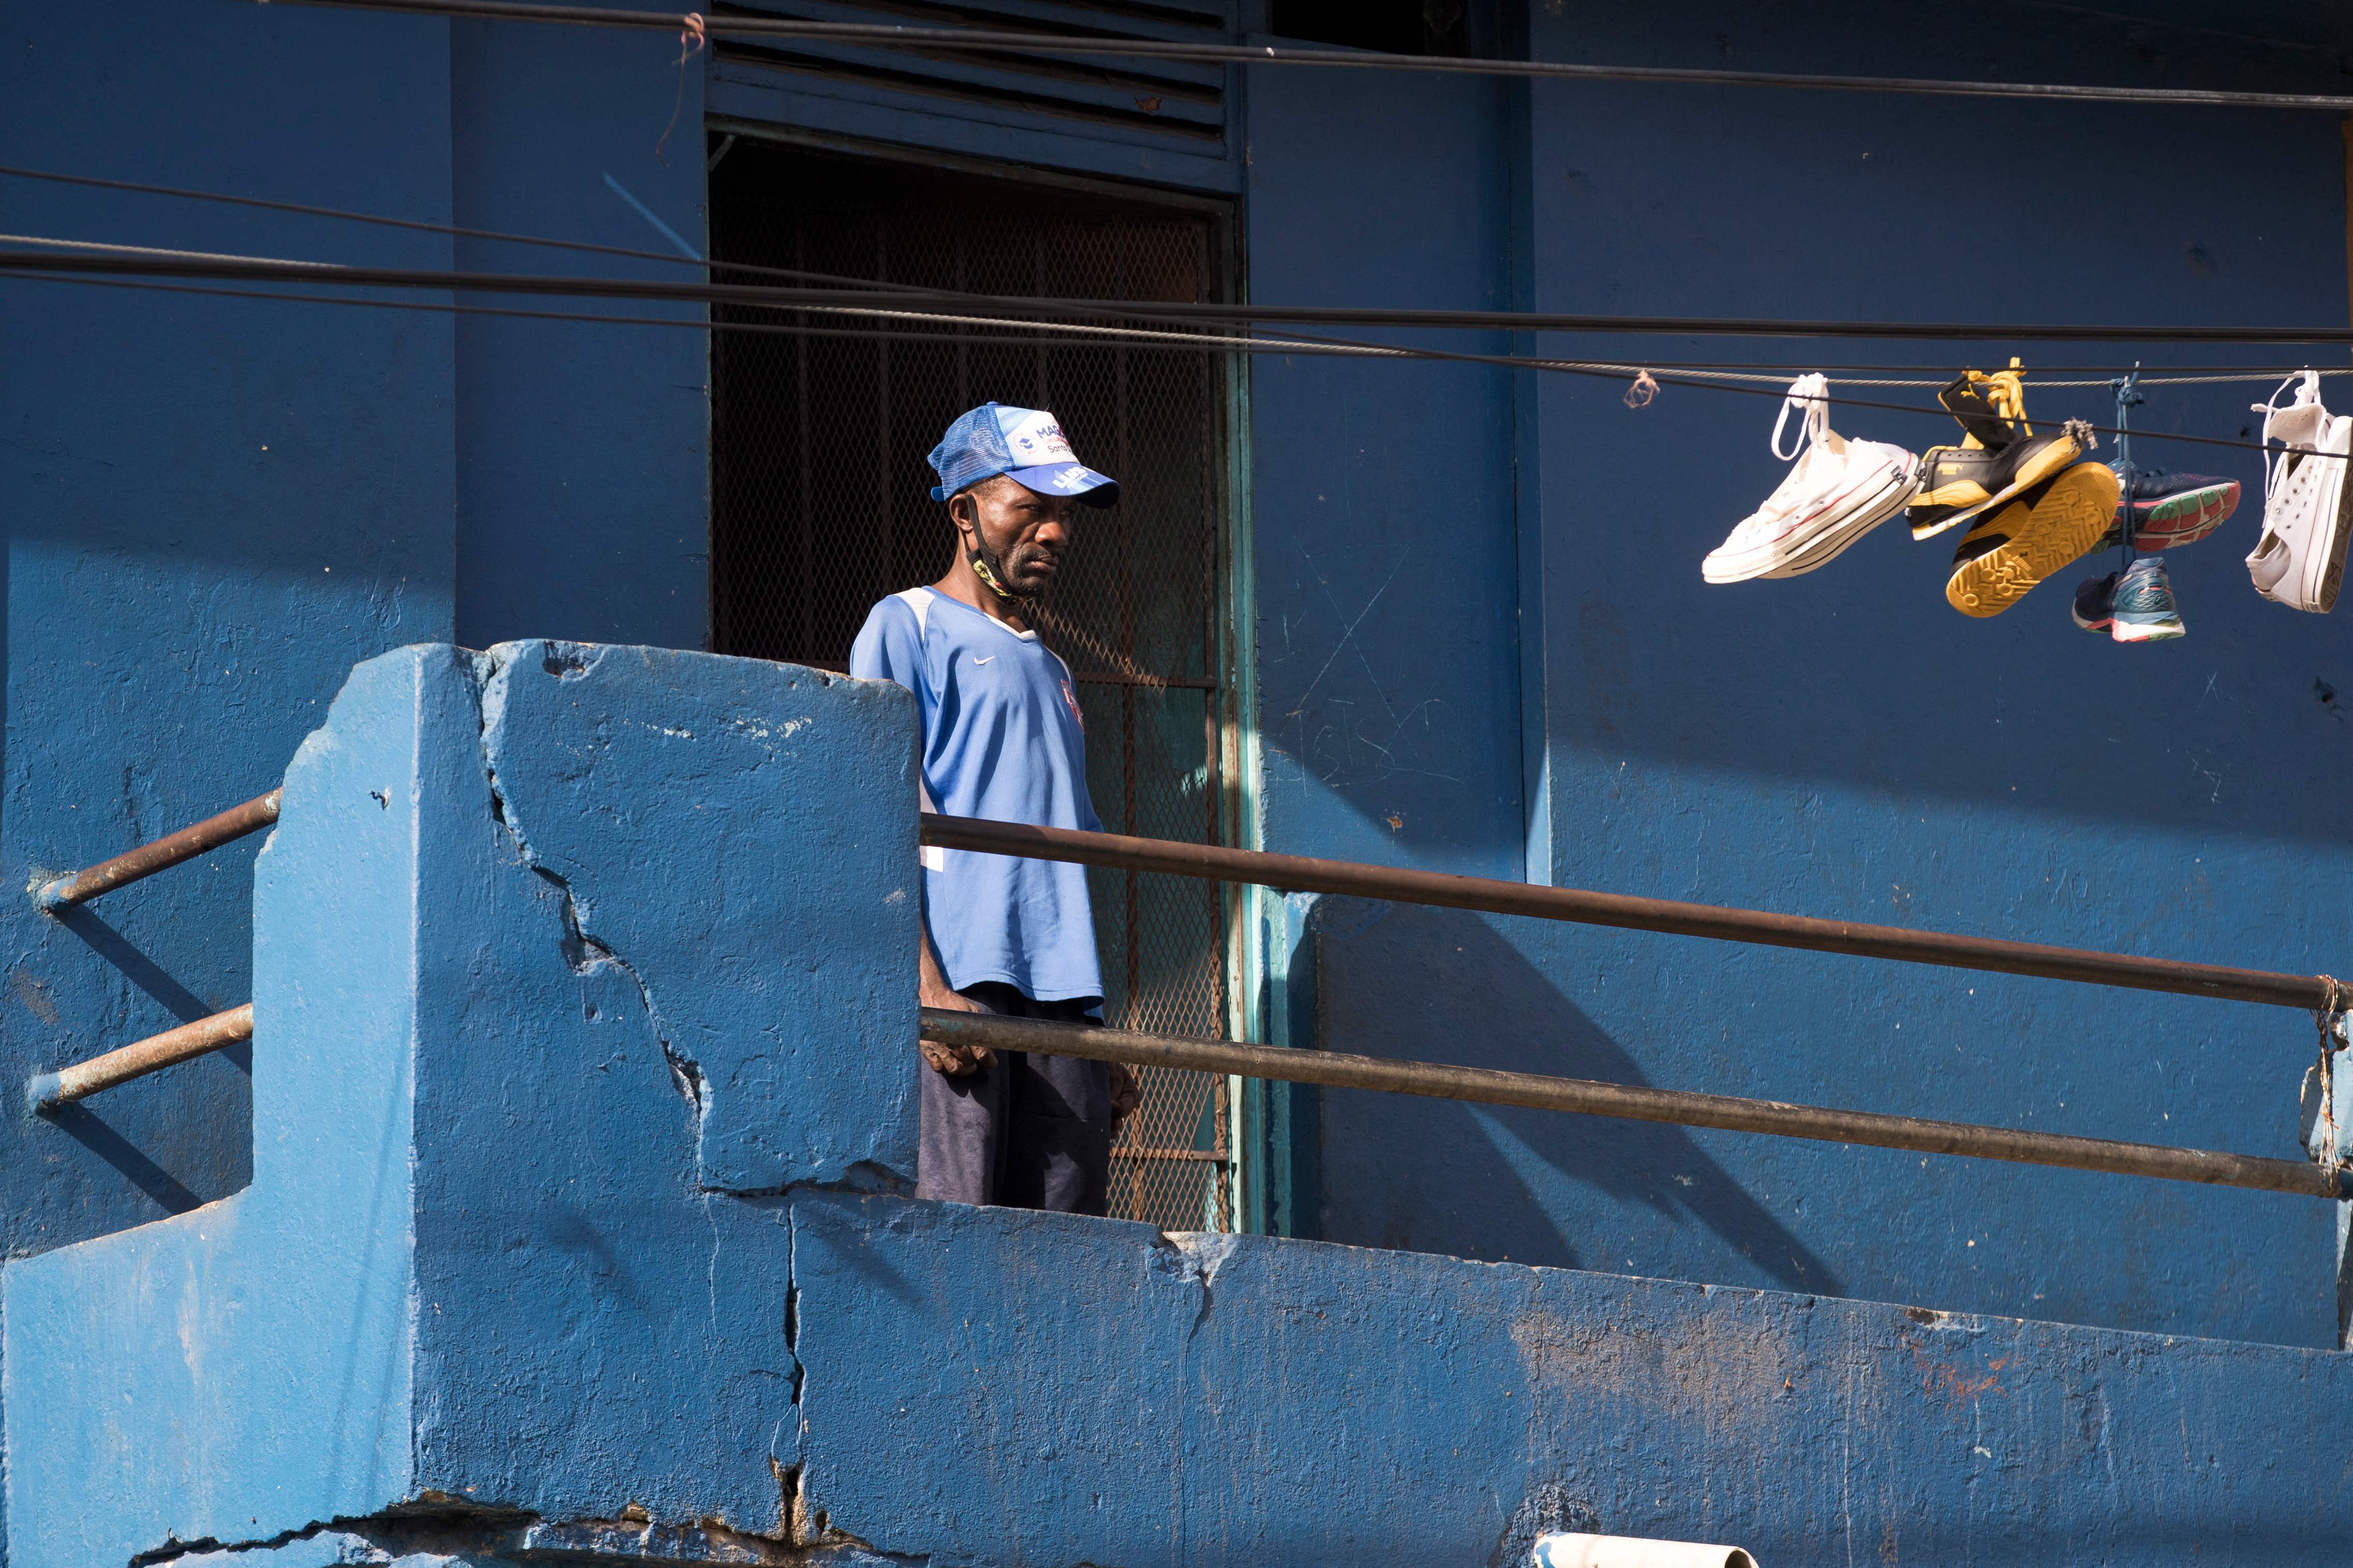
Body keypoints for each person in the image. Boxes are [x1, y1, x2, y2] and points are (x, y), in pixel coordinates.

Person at [850, 403, 1141, 1214]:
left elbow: (1071, 853)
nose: (1054, 532)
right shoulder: (906, 625)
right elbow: (872, 816)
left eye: (1064, 514)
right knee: (956, 1227)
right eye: (1031, 508)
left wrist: (1100, 1027)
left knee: (1065, 1240)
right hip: (963, 983)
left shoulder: (1054, 669)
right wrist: (925, 989)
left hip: (1064, 1004)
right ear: (965, 512)